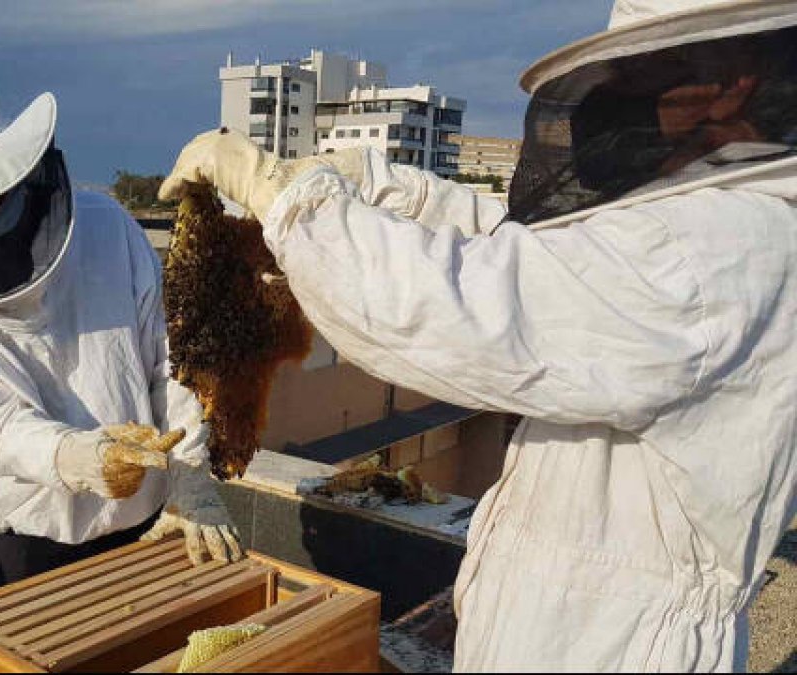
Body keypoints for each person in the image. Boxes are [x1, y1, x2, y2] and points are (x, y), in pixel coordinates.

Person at [161, 0, 797, 671]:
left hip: (606, 649)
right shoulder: (714, 235)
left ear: (735, 81)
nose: (623, 98)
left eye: (645, 71)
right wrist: (375, 187)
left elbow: (465, 304)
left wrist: (281, 197)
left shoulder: (716, 254)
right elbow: (526, 254)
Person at [0, 72, 242, 599]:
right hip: (21, 534)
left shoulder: (110, 229)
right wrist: (69, 456)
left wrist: (191, 476)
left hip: (143, 524)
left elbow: (172, 360)